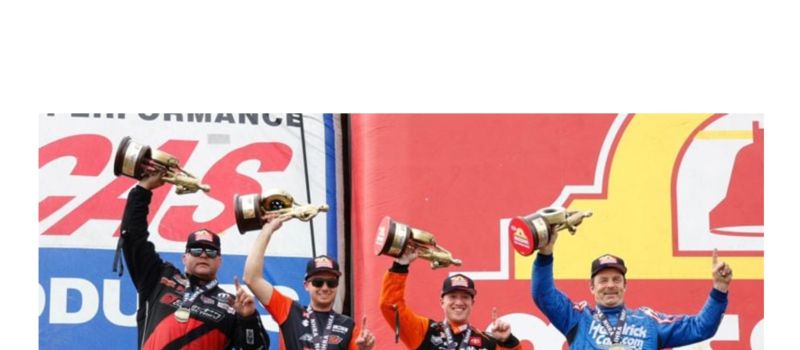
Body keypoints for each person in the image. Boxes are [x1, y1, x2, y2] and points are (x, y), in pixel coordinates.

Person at [118, 171, 270, 349]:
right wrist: (143, 189)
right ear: (184, 257)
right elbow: (133, 237)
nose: (204, 255)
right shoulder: (160, 279)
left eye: (211, 252)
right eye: (196, 250)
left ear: (219, 261)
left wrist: (248, 319)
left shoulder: (232, 304)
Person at [531, 229, 732, 349]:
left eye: (616, 279)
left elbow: (701, 327)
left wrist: (719, 289)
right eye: (603, 280)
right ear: (591, 287)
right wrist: (545, 254)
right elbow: (543, 295)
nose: (610, 285)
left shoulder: (648, 322)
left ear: (625, 286)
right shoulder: (578, 318)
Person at [243, 215, 376, 350]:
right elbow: (251, 278)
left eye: (331, 283)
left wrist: (365, 349)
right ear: (306, 285)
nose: (325, 288)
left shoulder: (348, 325)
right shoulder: (289, 311)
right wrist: (268, 229)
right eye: (318, 282)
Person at [379, 249, 522, 350]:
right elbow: (391, 306)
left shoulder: (487, 342)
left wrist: (508, 341)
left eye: (465, 297)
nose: (459, 302)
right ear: (442, 301)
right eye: (452, 296)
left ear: (472, 303)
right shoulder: (425, 332)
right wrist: (400, 265)